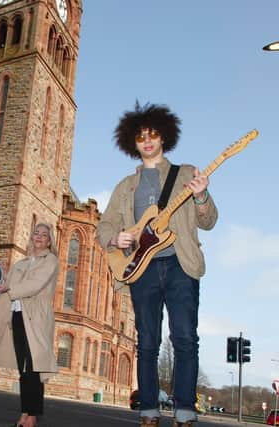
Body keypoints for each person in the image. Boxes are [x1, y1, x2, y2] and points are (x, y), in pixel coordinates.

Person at [96, 102, 218, 427]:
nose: (147, 142)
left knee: (185, 339)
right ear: (132, 143)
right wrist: (116, 238)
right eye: (140, 138)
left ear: (163, 137)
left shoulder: (186, 174)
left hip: (181, 265)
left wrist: (202, 197)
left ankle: (185, 410)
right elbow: (104, 226)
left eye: (152, 135)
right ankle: (148, 408)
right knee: (147, 341)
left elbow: (209, 221)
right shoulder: (125, 186)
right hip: (142, 269)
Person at [0, 223, 59, 427]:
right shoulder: (22, 263)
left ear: (49, 241)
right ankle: (25, 412)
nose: (39, 237)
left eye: (44, 235)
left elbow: (35, 285)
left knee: (34, 366)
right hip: (17, 316)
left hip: (36, 318)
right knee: (24, 368)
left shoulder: (50, 261)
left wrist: (9, 287)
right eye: (36, 233)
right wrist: (2, 280)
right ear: (31, 238)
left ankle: (32, 415)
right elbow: (9, 285)